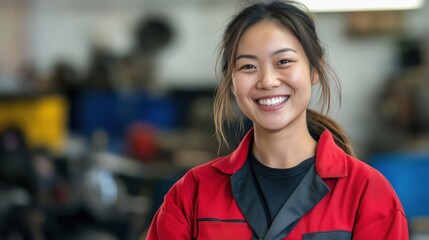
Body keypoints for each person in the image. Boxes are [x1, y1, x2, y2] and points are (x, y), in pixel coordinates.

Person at [146, 1, 409, 239]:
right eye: (248, 66)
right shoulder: (191, 194)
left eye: (284, 61)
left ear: (314, 69)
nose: (268, 81)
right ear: (231, 82)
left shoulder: (367, 193)